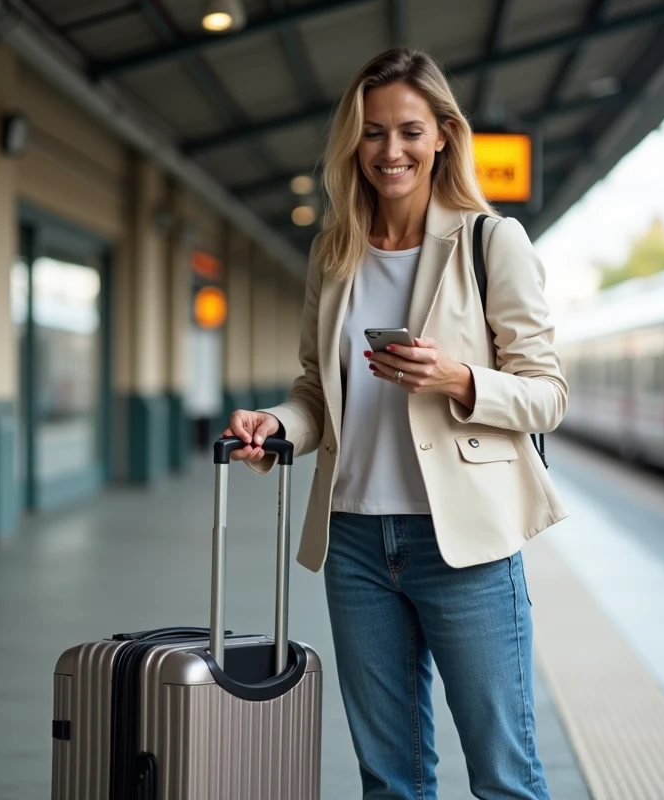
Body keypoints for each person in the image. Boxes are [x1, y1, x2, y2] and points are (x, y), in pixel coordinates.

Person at [223, 47, 568, 800]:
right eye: (372, 133)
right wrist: (275, 426)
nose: (391, 151)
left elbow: (548, 394)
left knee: (505, 777)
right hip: (354, 540)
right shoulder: (334, 252)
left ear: (444, 134)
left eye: (409, 131)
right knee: (389, 780)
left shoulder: (489, 243)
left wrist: (459, 380)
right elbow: (317, 391)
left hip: (464, 544)